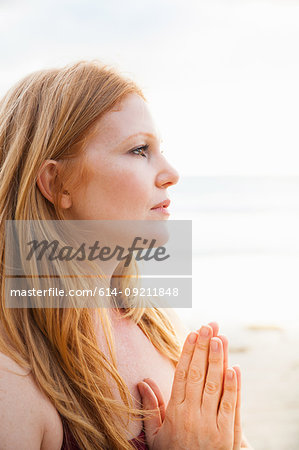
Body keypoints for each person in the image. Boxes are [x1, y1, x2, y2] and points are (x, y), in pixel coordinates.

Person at [0, 60, 253, 449]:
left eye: (159, 150)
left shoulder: (157, 321)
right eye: (139, 150)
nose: (171, 172)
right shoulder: (12, 378)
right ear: (56, 182)